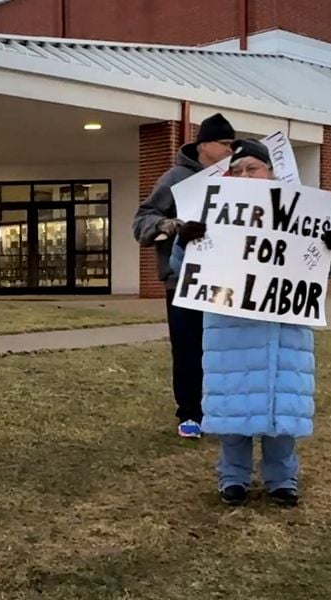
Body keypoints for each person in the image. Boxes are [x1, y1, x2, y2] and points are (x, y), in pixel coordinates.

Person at [169, 138, 331, 508]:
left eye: (253, 168)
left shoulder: (299, 216)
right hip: (229, 328)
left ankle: (282, 479)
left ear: (270, 172)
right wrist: (185, 242)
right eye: (237, 170)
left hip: (284, 333)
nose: (245, 175)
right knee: (234, 405)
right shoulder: (213, 215)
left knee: (282, 408)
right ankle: (232, 477)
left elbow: (320, 270)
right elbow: (181, 269)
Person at [133, 113, 236, 440]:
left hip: (226, 278)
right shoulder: (175, 178)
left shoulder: (237, 177)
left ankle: (220, 410)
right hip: (182, 279)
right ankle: (190, 412)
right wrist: (168, 226)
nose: (231, 150)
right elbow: (142, 220)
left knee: (222, 347)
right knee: (189, 347)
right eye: (225, 144)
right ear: (204, 145)